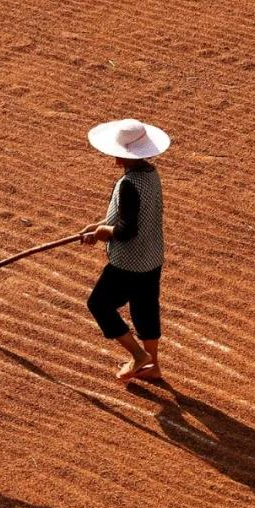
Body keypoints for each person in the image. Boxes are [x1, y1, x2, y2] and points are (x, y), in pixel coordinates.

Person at [80, 119, 169, 383]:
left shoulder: (129, 185)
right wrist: (99, 225)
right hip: (151, 258)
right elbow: (136, 216)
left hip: (128, 263)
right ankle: (152, 366)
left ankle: (138, 356)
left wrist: (103, 233)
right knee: (145, 309)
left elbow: (127, 230)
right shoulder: (151, 175)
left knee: (99, 304)